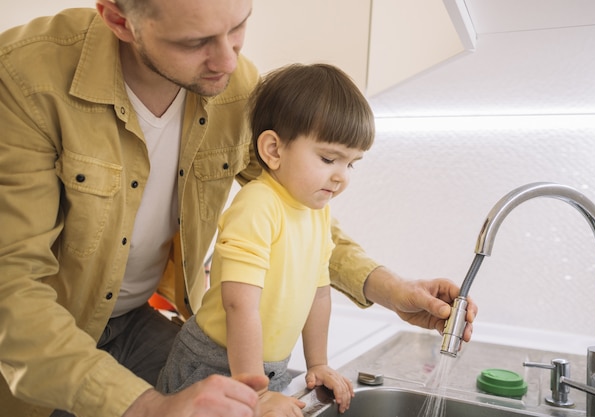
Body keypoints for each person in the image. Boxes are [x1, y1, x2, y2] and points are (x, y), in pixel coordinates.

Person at [0, 1, 477, 417]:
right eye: (195, 41)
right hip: (46, 338)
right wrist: (148, 407)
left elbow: (295, 212)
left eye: (238, 26)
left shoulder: (233, 86)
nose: (228, 61)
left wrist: (390, 289)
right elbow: (12, 292)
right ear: (118, 20)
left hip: (136, 320)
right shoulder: (25, 79)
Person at [157, 63, 374, 415]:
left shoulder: (317, 212)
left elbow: (318, 294)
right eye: (329, 158)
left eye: (351, 164)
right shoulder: (259, 205)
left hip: (262, 372)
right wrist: (252, 390)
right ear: (273, 150)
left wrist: (317, 363)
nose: (341, 178)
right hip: (214, 366)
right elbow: (239, 304)